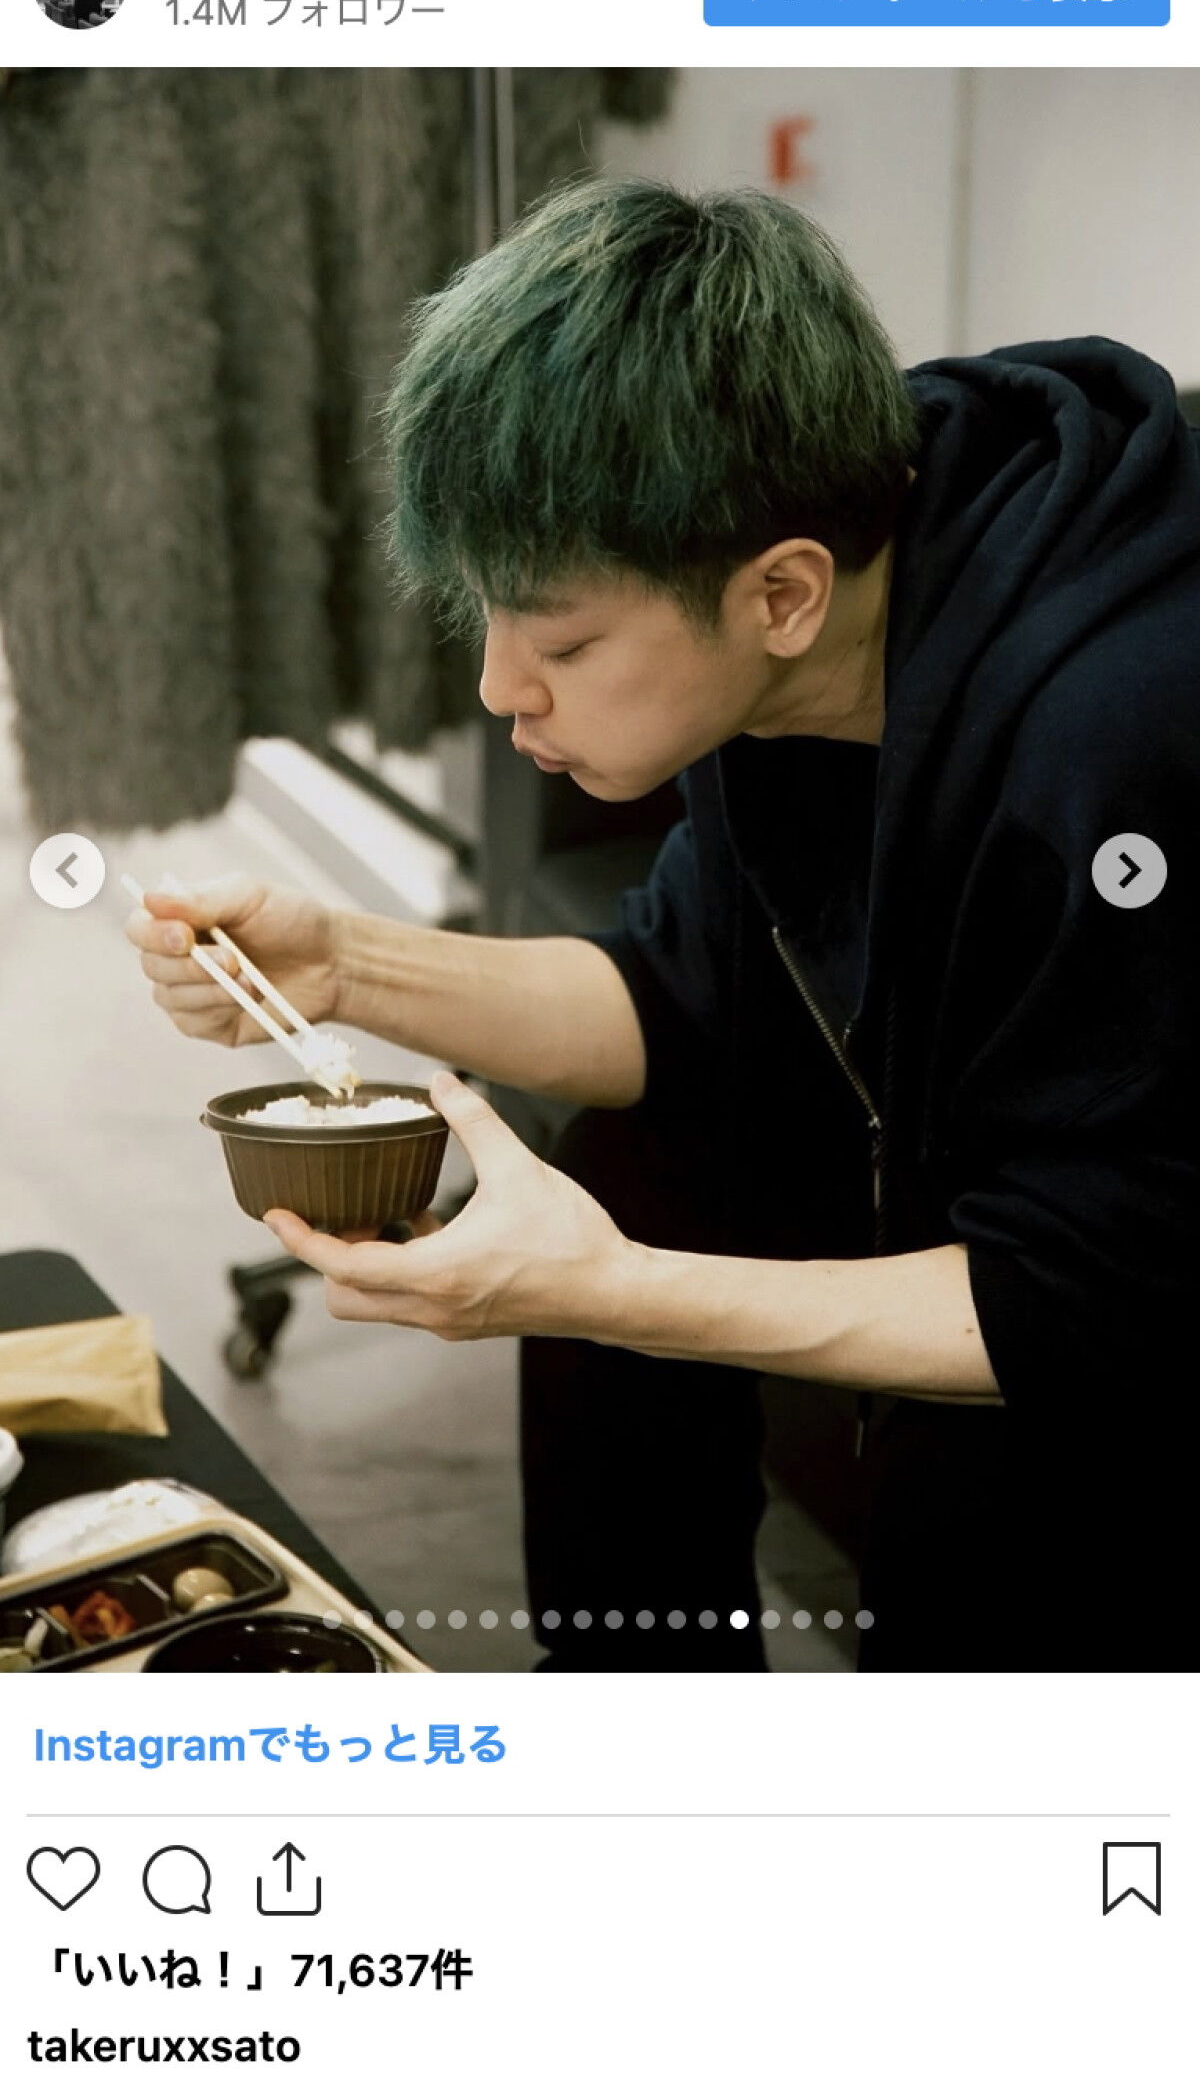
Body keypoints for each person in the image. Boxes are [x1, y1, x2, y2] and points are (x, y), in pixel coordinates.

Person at [128, 180, 1197, 1674]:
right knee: (640, 1157)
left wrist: (611, 1291)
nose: (502, 687)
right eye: (493, 617)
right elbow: (677, 994)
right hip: (1030, 1196)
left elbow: (1099, 1298)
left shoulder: (1116, 741)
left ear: (783, 595)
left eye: (563, 640)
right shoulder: (797, 585)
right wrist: (342, 963)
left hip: (1129, 1286)